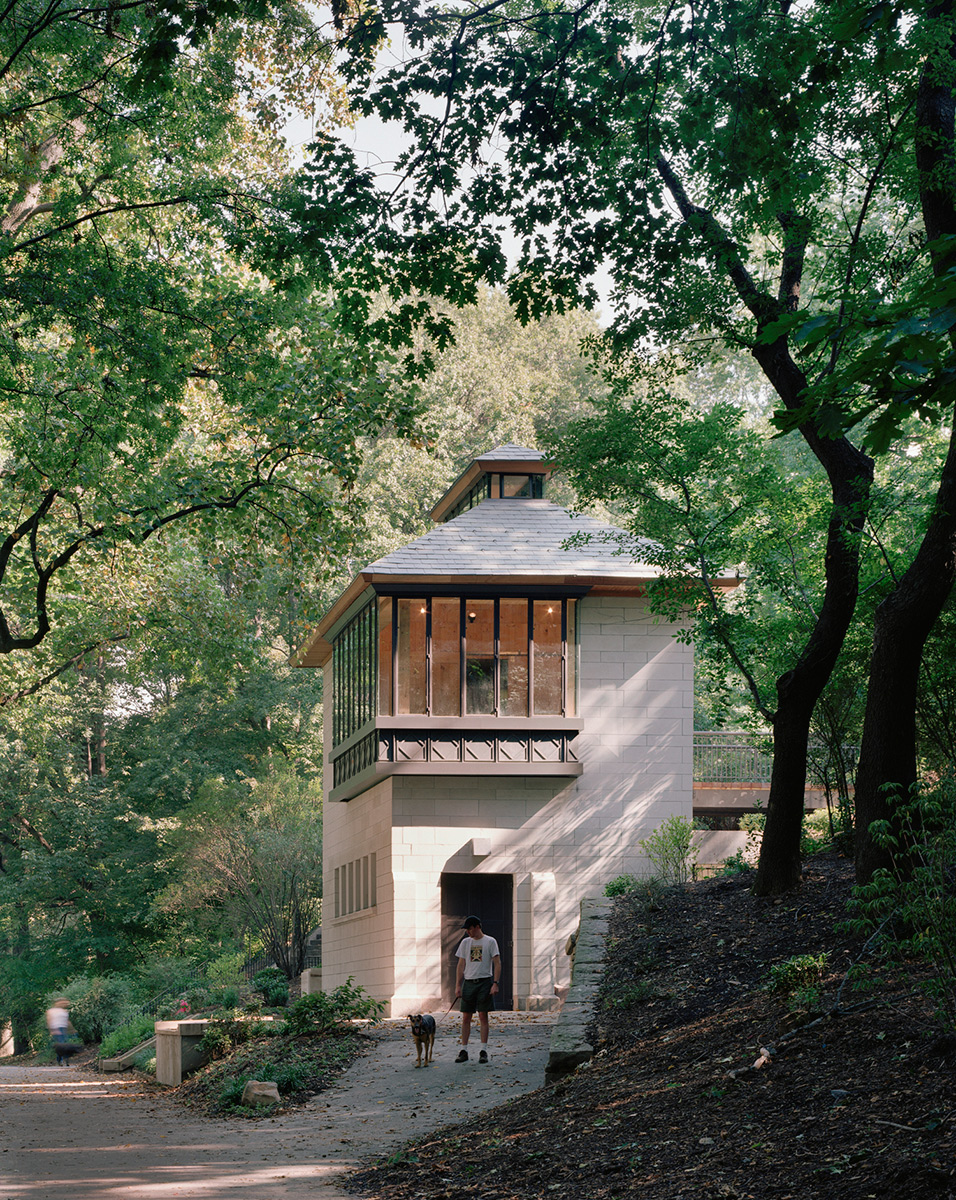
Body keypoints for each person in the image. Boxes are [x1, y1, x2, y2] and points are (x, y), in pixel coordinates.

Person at [454, 915, 501, 1064]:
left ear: (477, 927)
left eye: (469, 928)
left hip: (484, 982)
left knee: (482, 1016)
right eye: (467, 929)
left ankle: (483, 1050)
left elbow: (497, 963)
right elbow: (461, 965)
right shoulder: (465, 943)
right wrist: (457, 985)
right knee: (466, 1017)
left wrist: (495, 983)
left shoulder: (490, 941)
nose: (468, 932)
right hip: (469, 982)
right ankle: (464, 1050)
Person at [45, 998, 74, 1065]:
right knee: (61, 1044)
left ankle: (65, 1059)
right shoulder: (51, 1011)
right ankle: (61, 1059)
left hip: (64, 1028)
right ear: (57, 1003)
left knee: (65, 1045)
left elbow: (67, 1021)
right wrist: (53, 1030)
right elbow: (49, 1020)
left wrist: (72, 1029)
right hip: (56, 1028)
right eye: (62, 1002)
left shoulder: (64, 1011)